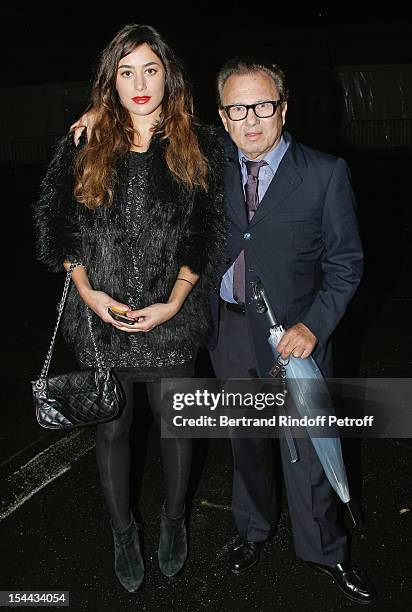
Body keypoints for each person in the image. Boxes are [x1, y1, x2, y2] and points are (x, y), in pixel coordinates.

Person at [34, 23, 225, 593]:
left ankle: (173, 520)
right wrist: (88, 291)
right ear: (109, 81)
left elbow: (207, 231)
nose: (139, 83)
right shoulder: (84, 141)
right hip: (103, 324)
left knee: (175, 429)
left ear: (169, 74)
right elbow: (54, 223)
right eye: (126, 71)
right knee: (113, 430)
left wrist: (175, 300)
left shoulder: (202, 143)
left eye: (150, 69)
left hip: (173, 318)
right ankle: (122, 531)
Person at [208, 57, 376, 605]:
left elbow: (347, 262)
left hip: (295, 339)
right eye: (238, 108)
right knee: (247, 445)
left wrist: (315, 325)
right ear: (223, 116)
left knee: (307, 451)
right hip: (231, 334)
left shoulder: (325, 173)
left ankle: (327, 550)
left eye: (262, 105)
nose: (250, 119)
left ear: (282, 109)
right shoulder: (209, 167)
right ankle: (252, 531)